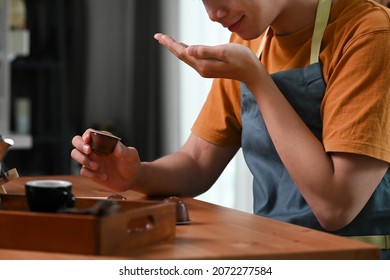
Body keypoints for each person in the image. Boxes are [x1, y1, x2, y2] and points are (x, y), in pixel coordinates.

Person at [71, 0, 390, 258]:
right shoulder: (249, 41)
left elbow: (336, 207)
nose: (213, 14)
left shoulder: (371, 35)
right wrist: (136, 175)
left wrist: (257, 80)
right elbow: (197, 161)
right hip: (276, 254)